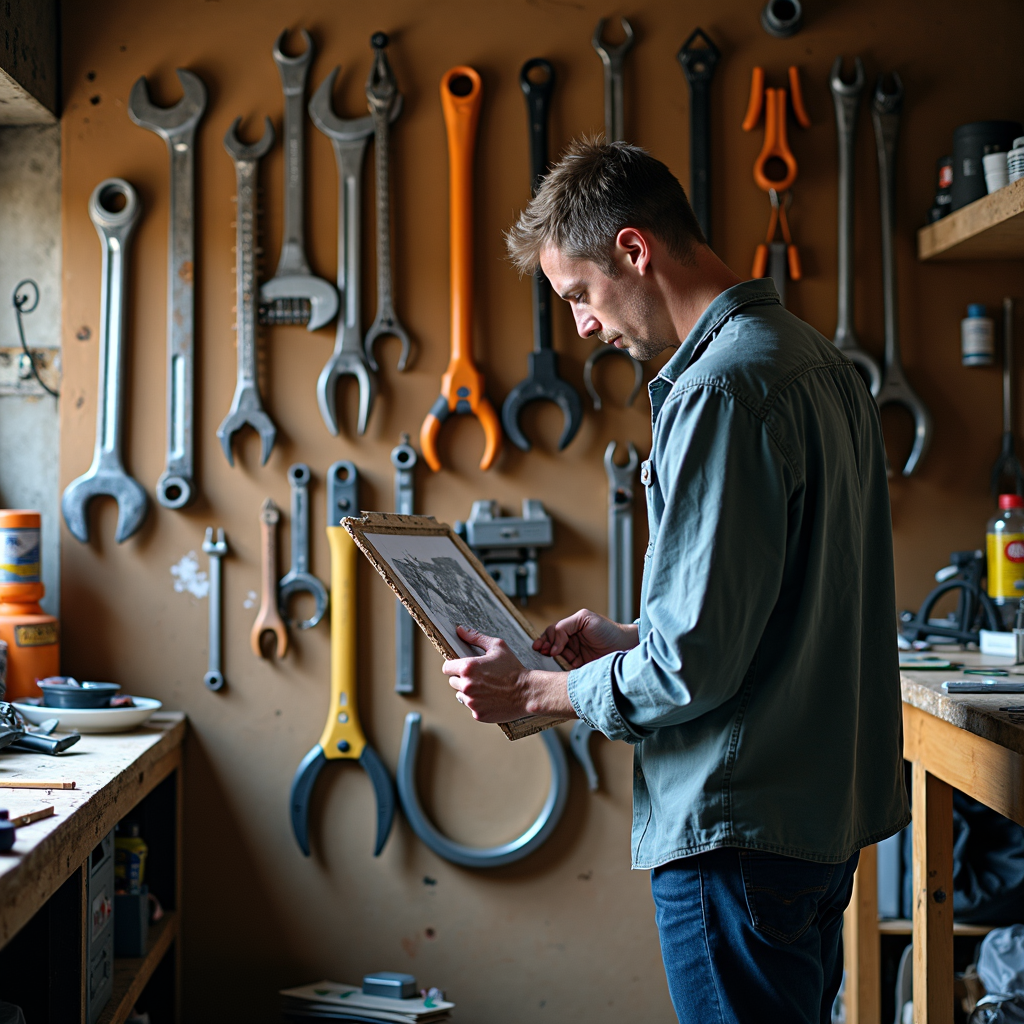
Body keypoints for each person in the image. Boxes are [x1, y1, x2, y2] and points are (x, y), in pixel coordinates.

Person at [441, 138, 909, 1024]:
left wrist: (543, 691)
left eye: (578, 295)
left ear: (632, 250)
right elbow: (787, 603)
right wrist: (628, 640)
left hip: (737, 834)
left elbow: (692, 666)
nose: (581, 326)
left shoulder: (718, 391)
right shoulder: (820, 366)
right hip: (815, 826)